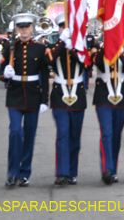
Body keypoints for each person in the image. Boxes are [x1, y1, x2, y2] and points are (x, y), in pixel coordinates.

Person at [2, 13, 50, 187]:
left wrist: (45, 99)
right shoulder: (10, 47)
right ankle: (12, 172)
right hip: (14, 95)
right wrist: (4, 74)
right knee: (15, 132)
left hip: (33, 95)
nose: (24, 29)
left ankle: (24, 172)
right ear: (17, 28)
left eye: (27, 26)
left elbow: (44, 75)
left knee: (29, 135)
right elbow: (2, 70)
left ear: (32, 27)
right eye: (21, 26)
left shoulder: (40, 48)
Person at [47, 13, 87, 186]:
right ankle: (61, 172)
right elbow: (47, 60)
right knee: (62, 134)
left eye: (69, 27)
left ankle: (72, 172)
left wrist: (75, 48)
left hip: (77, 94)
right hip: (59, 94)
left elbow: (88, 64)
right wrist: (62, 43)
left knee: (74, 136)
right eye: (63, 26)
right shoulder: (52, 46)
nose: (66, 30)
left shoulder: (83, 46)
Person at [91, 40, 124, 185]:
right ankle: (107, 169)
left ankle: (113, 170)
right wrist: (108, 48)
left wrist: (120, 53)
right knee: (107, 133)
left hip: (122, 96)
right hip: (103, 97)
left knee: (116, 135)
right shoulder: (102, 50)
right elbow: (97, 62)